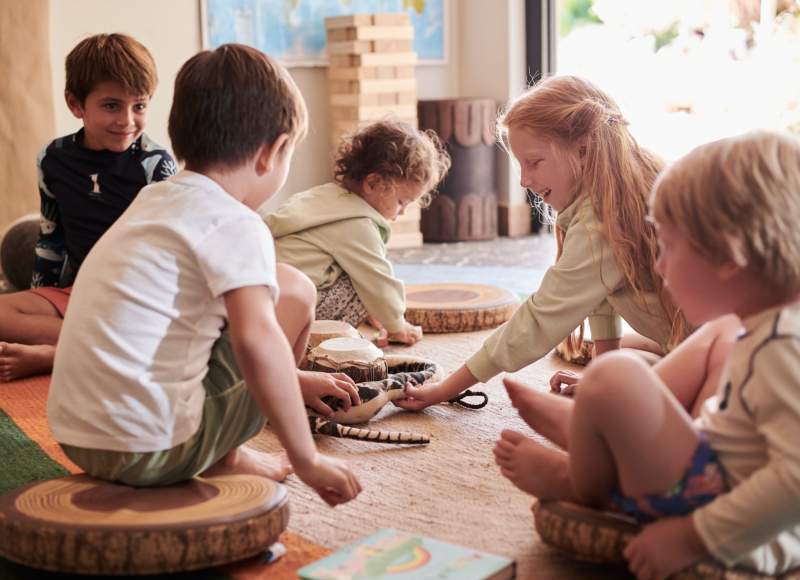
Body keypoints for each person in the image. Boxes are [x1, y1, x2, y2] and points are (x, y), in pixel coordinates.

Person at [47, 43, 362, 506]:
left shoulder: (154, 200)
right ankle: (224, 456)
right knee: (292, 292)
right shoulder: (237, 222)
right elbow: (256, 341)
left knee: (248, 303)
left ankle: (236, 437)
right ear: (272, 152)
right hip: (156, 448)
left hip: (78, 438)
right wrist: (307, 458)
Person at [494, 130, 800, 580]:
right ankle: (595, 431)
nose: (658, 266)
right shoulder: (771, 327)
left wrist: (691, 539)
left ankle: (587, 476)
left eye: (669, 247)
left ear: (730, 257)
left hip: (734, 528)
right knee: (715, 335)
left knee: (613, 374)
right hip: (716, 473)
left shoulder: (782, 348)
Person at [395, 74, 689, 410]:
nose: (524, 180)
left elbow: (538, 320)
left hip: (715, 354)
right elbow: (600, 292)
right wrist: (602, 372)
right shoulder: (625, 178)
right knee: (623, 363)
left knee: (625, 391)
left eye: (534, 162)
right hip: (695, 341)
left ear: (583, 148)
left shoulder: (603, 221)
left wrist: (446, 388)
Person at [0, 33, 176, 382]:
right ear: (76, 104)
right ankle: (92, 344)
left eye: (139, 106)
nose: (127, 120)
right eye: (111, 105)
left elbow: (167, 255)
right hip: (78, 292)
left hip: (135, 299)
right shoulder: (53, 158)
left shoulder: (156, 165)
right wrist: (39, 296)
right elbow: (51, 239)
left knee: (154, 330)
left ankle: (55, 353)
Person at [265, 120, 450, 346]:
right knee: (364, 279)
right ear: (372, 183)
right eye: (401, 202)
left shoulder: (324, 197)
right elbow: (378, 281)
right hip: (291, 309)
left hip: (269, 298)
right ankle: (316, 341)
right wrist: (397, 325)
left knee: (356, 273)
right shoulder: (356, 223)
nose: (401, 212)